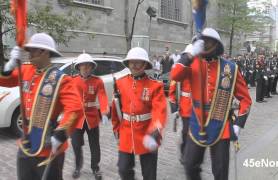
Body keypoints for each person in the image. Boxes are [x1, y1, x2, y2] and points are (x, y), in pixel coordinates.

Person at [170, 28, 252, 180]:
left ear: (216, 44)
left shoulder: (230, 68)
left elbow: (245, 99)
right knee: (189, 164)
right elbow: (175, 75)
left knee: (220, 170)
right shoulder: (191, 63)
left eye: (209, 41)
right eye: (202, 41)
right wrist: (189, 55)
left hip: (220, 122)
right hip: (196, 121)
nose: (205, 44)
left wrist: (238, 124)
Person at [0, 33, 83, 180]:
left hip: (48, 144)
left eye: (32, 50)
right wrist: (9, 65)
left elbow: (75, 109)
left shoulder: (61, 79)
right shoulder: (26, 70)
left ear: (44, 52)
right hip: (26, 142)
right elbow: (4, 80)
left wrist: (60, 135)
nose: (29, 53)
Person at [111, 47, 167, 180]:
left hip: (147, 131)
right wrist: (116, 128)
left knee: (149, 174)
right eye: (132, 62)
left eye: (138, 62)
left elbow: (159, 110)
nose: (134, 65)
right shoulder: (120, 82)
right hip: (126, 131)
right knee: (123, 169)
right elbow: (116, 108)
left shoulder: (154, 85)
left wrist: (155, 130)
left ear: (145, 65)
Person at [71, 53, 109, 180]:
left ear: (92, 67)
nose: (86, 68)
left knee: (94, 144)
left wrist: (104, 112)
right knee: (76, 144)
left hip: (92, 118)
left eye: (88, 66)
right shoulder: (73, 81)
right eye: (83, 66)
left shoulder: (97, 81)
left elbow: (102, 96)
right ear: (79, 67)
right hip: (76, 119)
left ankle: (95, 167)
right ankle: (77, 166)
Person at [168, 52, 192, 162]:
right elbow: (172, 92)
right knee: (186, 131)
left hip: (199, 108)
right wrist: (174, 109)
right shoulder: (180, 69)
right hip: (185, 106)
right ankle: (184, 153)